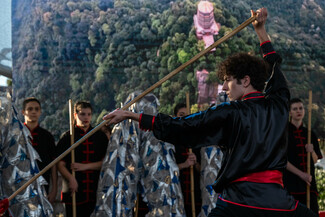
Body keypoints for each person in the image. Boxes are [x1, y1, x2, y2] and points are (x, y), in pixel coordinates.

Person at [103, 8, 317, 217]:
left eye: (227, 80)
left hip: (237, 202)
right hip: (277, 202)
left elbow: (184, 126)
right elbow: (274, 67)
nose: (224, 87)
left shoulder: (229, 112)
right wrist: (261, 32)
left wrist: (133, 115)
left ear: (245, 81)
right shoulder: (279, 104)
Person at [56, 101, 108, 217]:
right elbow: (60, 164)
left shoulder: (99, 136)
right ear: (75, 115)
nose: (86, 117)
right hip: (73, 190)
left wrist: (85, 166)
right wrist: (71, 179)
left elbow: (106, 163)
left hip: (95, 190)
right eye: (82, 114)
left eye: (89, 114)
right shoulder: (67, 136)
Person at [283, 98, 323, 215]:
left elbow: (315, 160)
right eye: (295, 109)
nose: (298, 111)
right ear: (290, 112)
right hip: (291, 185)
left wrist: (311, 152)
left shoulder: (310, 133)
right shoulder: (284, 133)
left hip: (309, 185)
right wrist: (301, 175)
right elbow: (282, 161)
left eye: (301, 108)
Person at [22, 97, 58, 203]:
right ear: (23, 112)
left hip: (43, 187)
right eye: (30, 109)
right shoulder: (16, 136)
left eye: (37, 109)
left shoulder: (47, 136)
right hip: (20, 187)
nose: (34, 112)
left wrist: (54, 189)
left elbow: (53, 164)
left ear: (40, 112)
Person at [173, 103, 202, 216]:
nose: (185, 118)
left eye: (188, 115)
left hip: (194, 195)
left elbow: (202, 170)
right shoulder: (170, 142)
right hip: (177, 191)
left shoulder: (197, 141)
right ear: (175, 117)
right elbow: (166, 171)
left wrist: (195, 163)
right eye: (181, 114)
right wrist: (184, 164)